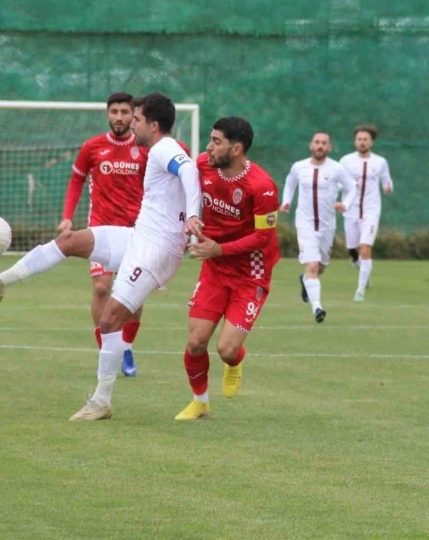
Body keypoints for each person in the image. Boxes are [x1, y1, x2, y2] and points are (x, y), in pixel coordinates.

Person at [0, 92, 201, 420]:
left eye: (136, 117)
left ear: (153, 124)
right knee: (69, 240)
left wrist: (193, 216)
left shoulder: (164, 147)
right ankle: (1, 281)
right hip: (138, 238)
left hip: (156, 251)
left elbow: (190, 173)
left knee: (109, 319)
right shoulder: (153, 149)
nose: (131, 122)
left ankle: (102, 400)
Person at [58, 92, 191, 377]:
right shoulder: (92, 147)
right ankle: (106, 350)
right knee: (101, 288)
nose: (119, 117)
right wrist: (67, 217)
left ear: (135, 116)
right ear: (108, 114)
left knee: (133, 293)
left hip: (138, 231)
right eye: (114, 111)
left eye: (125, 112)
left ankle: (127, 347)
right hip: (101, 227)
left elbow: (178, 158)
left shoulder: (148, 147)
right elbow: (76, 180)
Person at [178, 117, 280, 420]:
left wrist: (218, 249)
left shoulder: (262, 187)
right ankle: (200, 401)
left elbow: (264, 237)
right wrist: (190, 216)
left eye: (216, 141)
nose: (209, 147)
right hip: (214, 269)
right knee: (196, 341)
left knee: (225, 349)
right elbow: (181, 188)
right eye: (210, 139)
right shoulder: (202, 165)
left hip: (251, 274)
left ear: (236, 149)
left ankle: (234, 363)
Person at [280, 132, 357, 322]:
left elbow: (352, 187)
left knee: (320, 267)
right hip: (305, 223)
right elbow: (290, 183)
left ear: (329, 147)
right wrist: (286, 201)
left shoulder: (336, 169)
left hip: (327, 225)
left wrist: (345, 204)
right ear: (311, 145)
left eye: (324, 143)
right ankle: (317, 308)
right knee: (312, 265)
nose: (320, 146)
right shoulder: (299, 167)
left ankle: (305, 280)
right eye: (317, 142)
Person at [339, 125, 393, 301]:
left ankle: (360, 289)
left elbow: (387, 181)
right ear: (355, 141)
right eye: (359, 139)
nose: (362, 142)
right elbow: (337, 183)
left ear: (371, 142)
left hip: (370, 210)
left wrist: (388, 187)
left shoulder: (380, 162)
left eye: (366, 139)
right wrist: (347, 185)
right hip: (351, 210)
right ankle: (363, 270)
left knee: (365, 247)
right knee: (353, 251)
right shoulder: (346, 161)